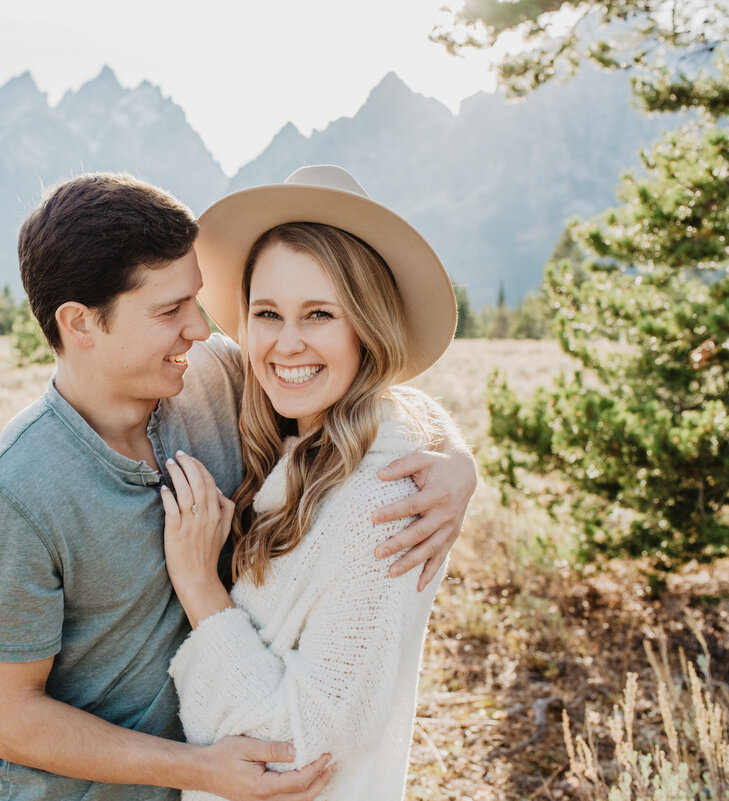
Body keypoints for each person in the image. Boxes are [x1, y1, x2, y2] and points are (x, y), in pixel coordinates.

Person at [0, 172, 476, 801]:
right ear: (81, 323)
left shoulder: (214, 381)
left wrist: (455, 458)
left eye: (194, 301)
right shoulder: (10, 497)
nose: (201, 328)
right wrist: (195, 769)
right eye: (169, 311)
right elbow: (9, 722)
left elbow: (350, 379)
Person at [161, 165, 459, 801]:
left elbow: (295, 751)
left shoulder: (384, 503)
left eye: (320, 313)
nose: (286, 344)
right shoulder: (298, 442)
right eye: (267, 313)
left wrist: (197, 585)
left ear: (366, 325)